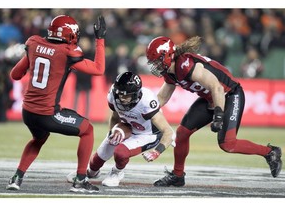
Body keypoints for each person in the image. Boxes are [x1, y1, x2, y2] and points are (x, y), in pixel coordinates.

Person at [145, 36, 282, 187]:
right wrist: (144, 112)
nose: (155, 65)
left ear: (168, 56)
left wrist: (219, 114)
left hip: (229, 94)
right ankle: (178, 175)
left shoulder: (186, 65)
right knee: (182, 133)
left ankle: (270, 152)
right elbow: (162, 97)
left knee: (227, 144)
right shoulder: (170, 72)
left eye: (157, 60)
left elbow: (216, 86)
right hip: (210, 97)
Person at [6, 14, 106, 193]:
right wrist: (100, 40)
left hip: (27, 112)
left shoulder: (34, 43)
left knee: (39, 138)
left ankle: (16, 178)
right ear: (70, 35)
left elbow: (15, 75)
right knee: (87, 130)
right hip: (48, 113)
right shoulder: (67, 52)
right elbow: (99, 69)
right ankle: (81, 180)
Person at [67, 71, 175, 187]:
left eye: (126, 96)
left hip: (147, 134)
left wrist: (157, 151)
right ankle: (91, 172)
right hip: (128, 127)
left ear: (136, 94)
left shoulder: (147, 102)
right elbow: (114, 117)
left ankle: (117, 172)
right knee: (96, 160)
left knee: (120, 153)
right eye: (120, 95)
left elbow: (168, 132)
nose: (122, 99)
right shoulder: (114, 95)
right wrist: (112, 133)